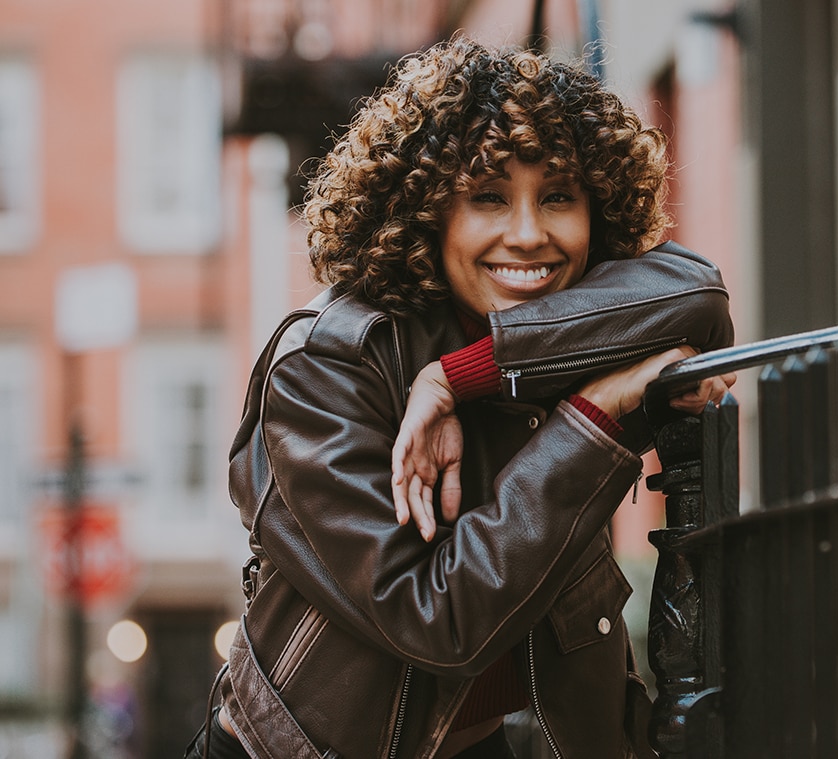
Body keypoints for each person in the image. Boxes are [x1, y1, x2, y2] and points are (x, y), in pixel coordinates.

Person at [185, 35, 734, 759]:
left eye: (560, 196)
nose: (530, 233)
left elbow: (696, 293)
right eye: (488, 197)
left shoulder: (576, 326)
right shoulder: (329, 364)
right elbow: (437, 620)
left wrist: (459, 374)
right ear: (427, 209)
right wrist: (594, 413)